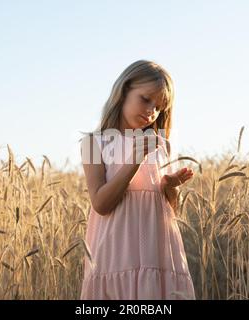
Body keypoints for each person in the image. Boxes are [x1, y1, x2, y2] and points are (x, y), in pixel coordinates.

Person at [79, 60, 196, 300]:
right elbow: (101, 204)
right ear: (123, 91)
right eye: (145, 99)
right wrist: (134, 159)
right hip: (115, 256)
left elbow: (171, 210)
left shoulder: (162, 144)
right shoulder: (95, 142)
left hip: (157, 255)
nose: (151, 111)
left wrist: (169, 187)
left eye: (159, 108)